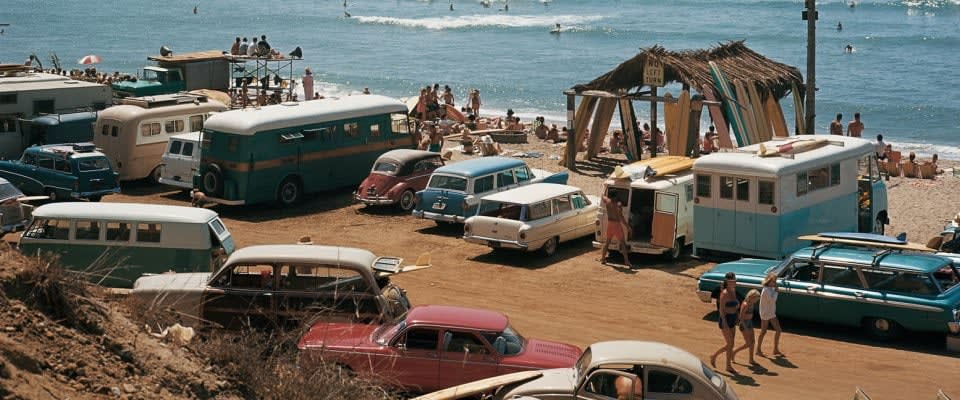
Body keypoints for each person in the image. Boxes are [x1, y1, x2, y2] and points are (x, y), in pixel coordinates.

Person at [710, 272, 739, 374]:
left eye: (735, 280)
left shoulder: (733, 290)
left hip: (733, 318)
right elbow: (721, 310)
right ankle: (714, 356)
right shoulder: (724, 293)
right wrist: (725, 324)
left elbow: (735, 305)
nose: (734, 282)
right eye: (732, 281)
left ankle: (728, 366)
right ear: (727, 281)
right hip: (725, 319)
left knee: (731, 344)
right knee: (730, 343)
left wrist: (737, 315)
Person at [599, 192, 632, 267]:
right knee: (623, 243)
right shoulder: (618, 204)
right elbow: (621, 217)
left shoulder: (607, 201)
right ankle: (626, 261)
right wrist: (628, 227)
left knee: (607, 242)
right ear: (615, 196)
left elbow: (602, 196)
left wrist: (603, 191)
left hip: (610, 224)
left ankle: (603, 259)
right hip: (616, 225)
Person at [756, 273, 784, 357]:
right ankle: (758, 350)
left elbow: (772, 301)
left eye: (775, 281)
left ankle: (775, 350)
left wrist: (775, 290)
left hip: (771, 312)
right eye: (773, 281)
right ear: (769, 281)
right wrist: (777, 291)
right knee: (763, 331)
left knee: (778, 330)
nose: (775, 283)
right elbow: (773, 300)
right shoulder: (766, 290)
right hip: (765, 313)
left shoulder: (771, 288)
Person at [731, 289, 760, 365]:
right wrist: (745, 328)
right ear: (751, 297)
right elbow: (741, 318)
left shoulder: (751, 303)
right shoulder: (745, 304)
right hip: (744, 324)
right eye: (756, 299)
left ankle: (751, 360)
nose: (756, 301)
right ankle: (734, 352)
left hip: (750, 322)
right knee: (748, 343)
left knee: (753, 342)